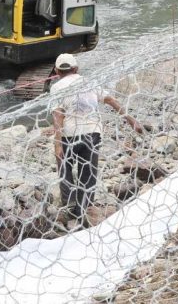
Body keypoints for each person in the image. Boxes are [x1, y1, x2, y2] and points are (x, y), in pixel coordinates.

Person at [50, 53, 144, 225]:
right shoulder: (90, 81)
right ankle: (83, 208)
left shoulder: (56, 87)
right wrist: (131, 120)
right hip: (92, 134)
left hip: (69, 135)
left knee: (65, 170)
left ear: (56, 71)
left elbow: (58, 115)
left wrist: (57, 144)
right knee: (88, 172)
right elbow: (110, 100)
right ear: (76, 69)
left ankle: (70, 207)